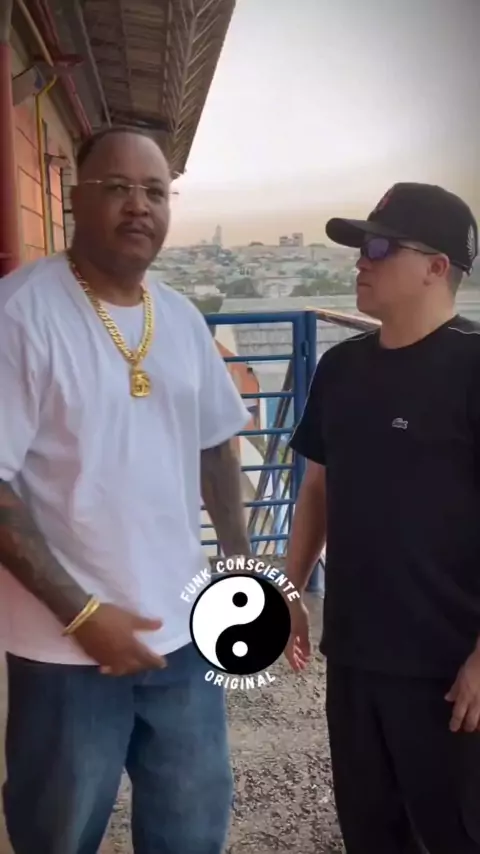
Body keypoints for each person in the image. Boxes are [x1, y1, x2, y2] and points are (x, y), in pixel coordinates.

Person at [0, 126, 252, 854]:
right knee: (58, 835)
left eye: (155, 191)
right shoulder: (21, 315)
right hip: (63, 652)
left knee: (191, 831)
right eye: (117, 187)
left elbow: (215, 443)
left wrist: (240, 569)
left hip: (183, 638)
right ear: (75, 200)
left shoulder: (180, 317)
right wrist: (83, 615)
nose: (139, 205)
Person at [284, 182, 480, 854]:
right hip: (356, 656)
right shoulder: (340, 370)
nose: (360, 261)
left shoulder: (473, 368)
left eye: (378, 247)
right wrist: (291, 591)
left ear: (437, 267)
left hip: (450, 673)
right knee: (370, 833)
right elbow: (318, 488)